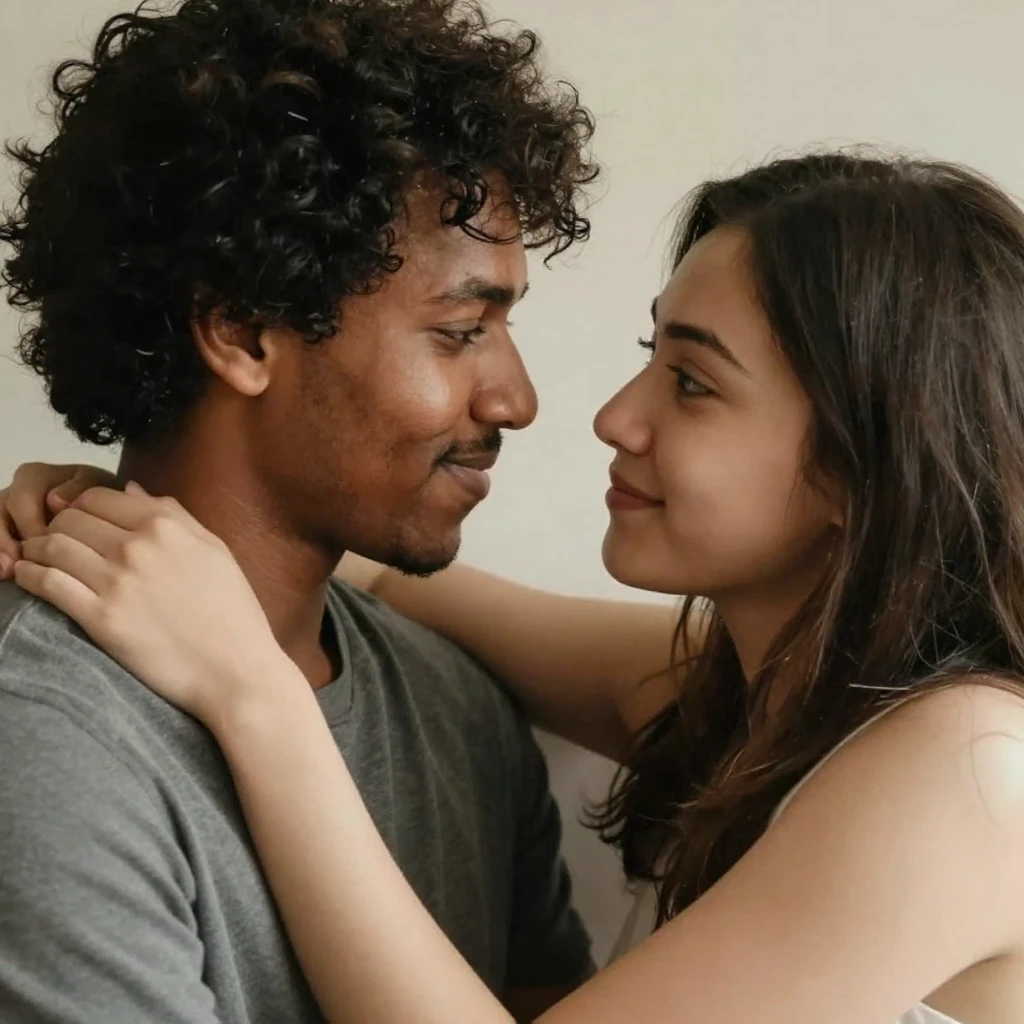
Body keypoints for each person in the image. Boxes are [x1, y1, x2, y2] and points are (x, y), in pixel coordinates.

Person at [10, 149, 1024, 1024]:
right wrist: (113, 516)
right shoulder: (767, 701)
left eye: (692, 382)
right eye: (652, 355)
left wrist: (252, 694)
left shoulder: (971, 774)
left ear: (859, 464)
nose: (610, 417)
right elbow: (399, 580)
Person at [0, 1, 600, 1021]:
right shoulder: (44, 741)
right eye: (461, 330)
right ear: (241, 333)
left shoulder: (463, 713)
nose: (516, 399)